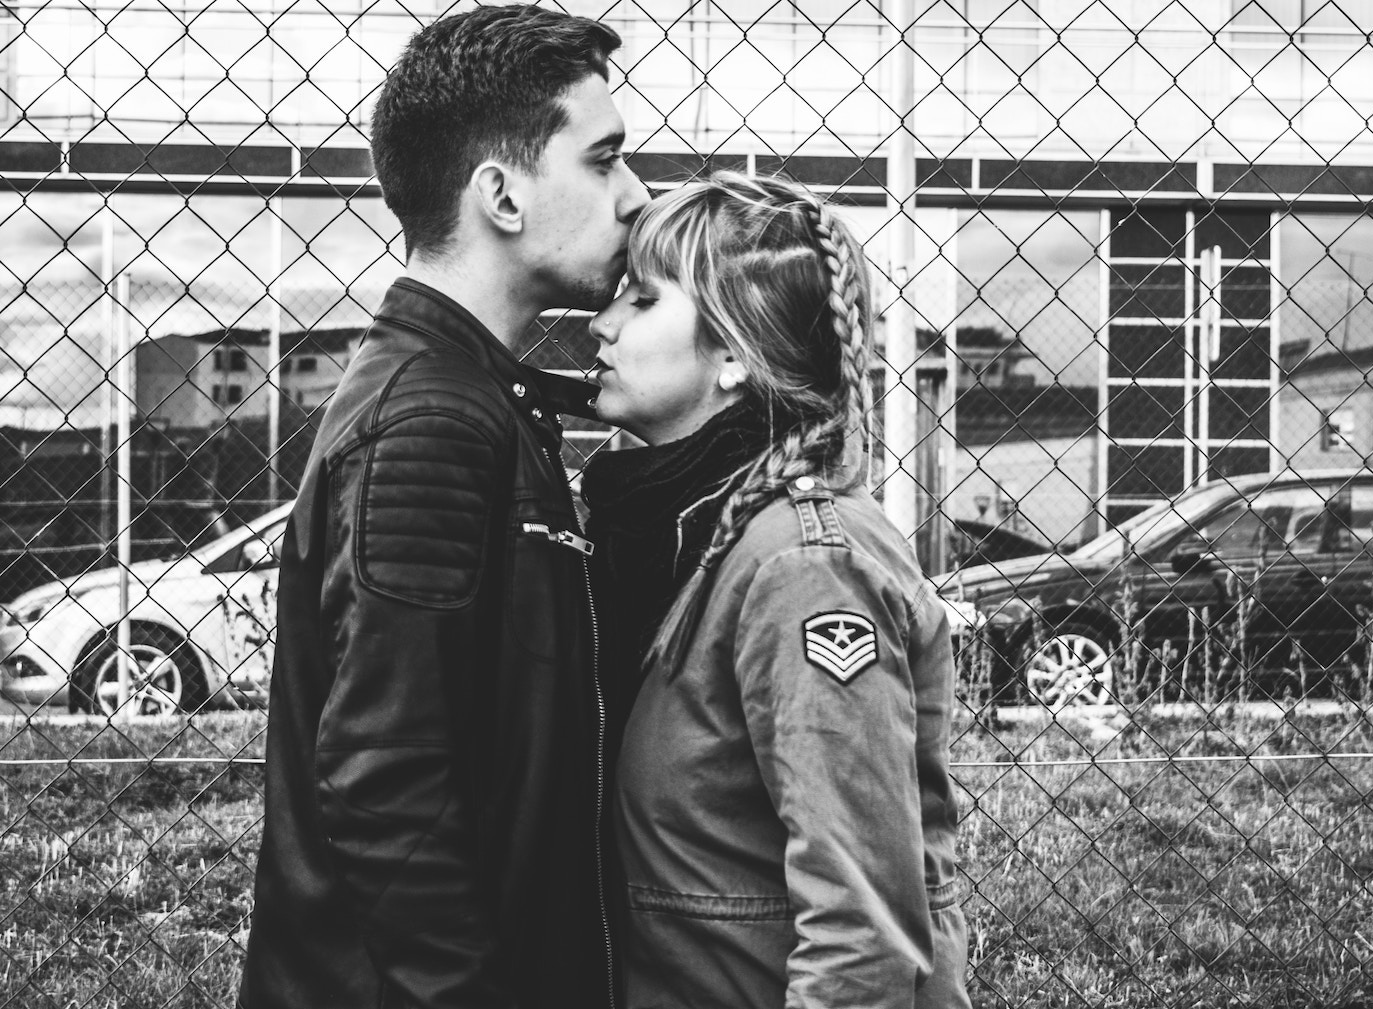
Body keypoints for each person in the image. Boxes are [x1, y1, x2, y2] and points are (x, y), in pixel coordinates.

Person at [237, 7, 648, 1009]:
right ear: (501, 195)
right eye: (603, 160)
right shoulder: (431, 422)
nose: (636, 194)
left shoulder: (472, 395)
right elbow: (384, 782)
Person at [582, 172, 971, 1009]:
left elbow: (861, 931)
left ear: (732, 353)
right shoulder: (684, 534)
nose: (600, 324)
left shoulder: (801, 567)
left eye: (641, 301)